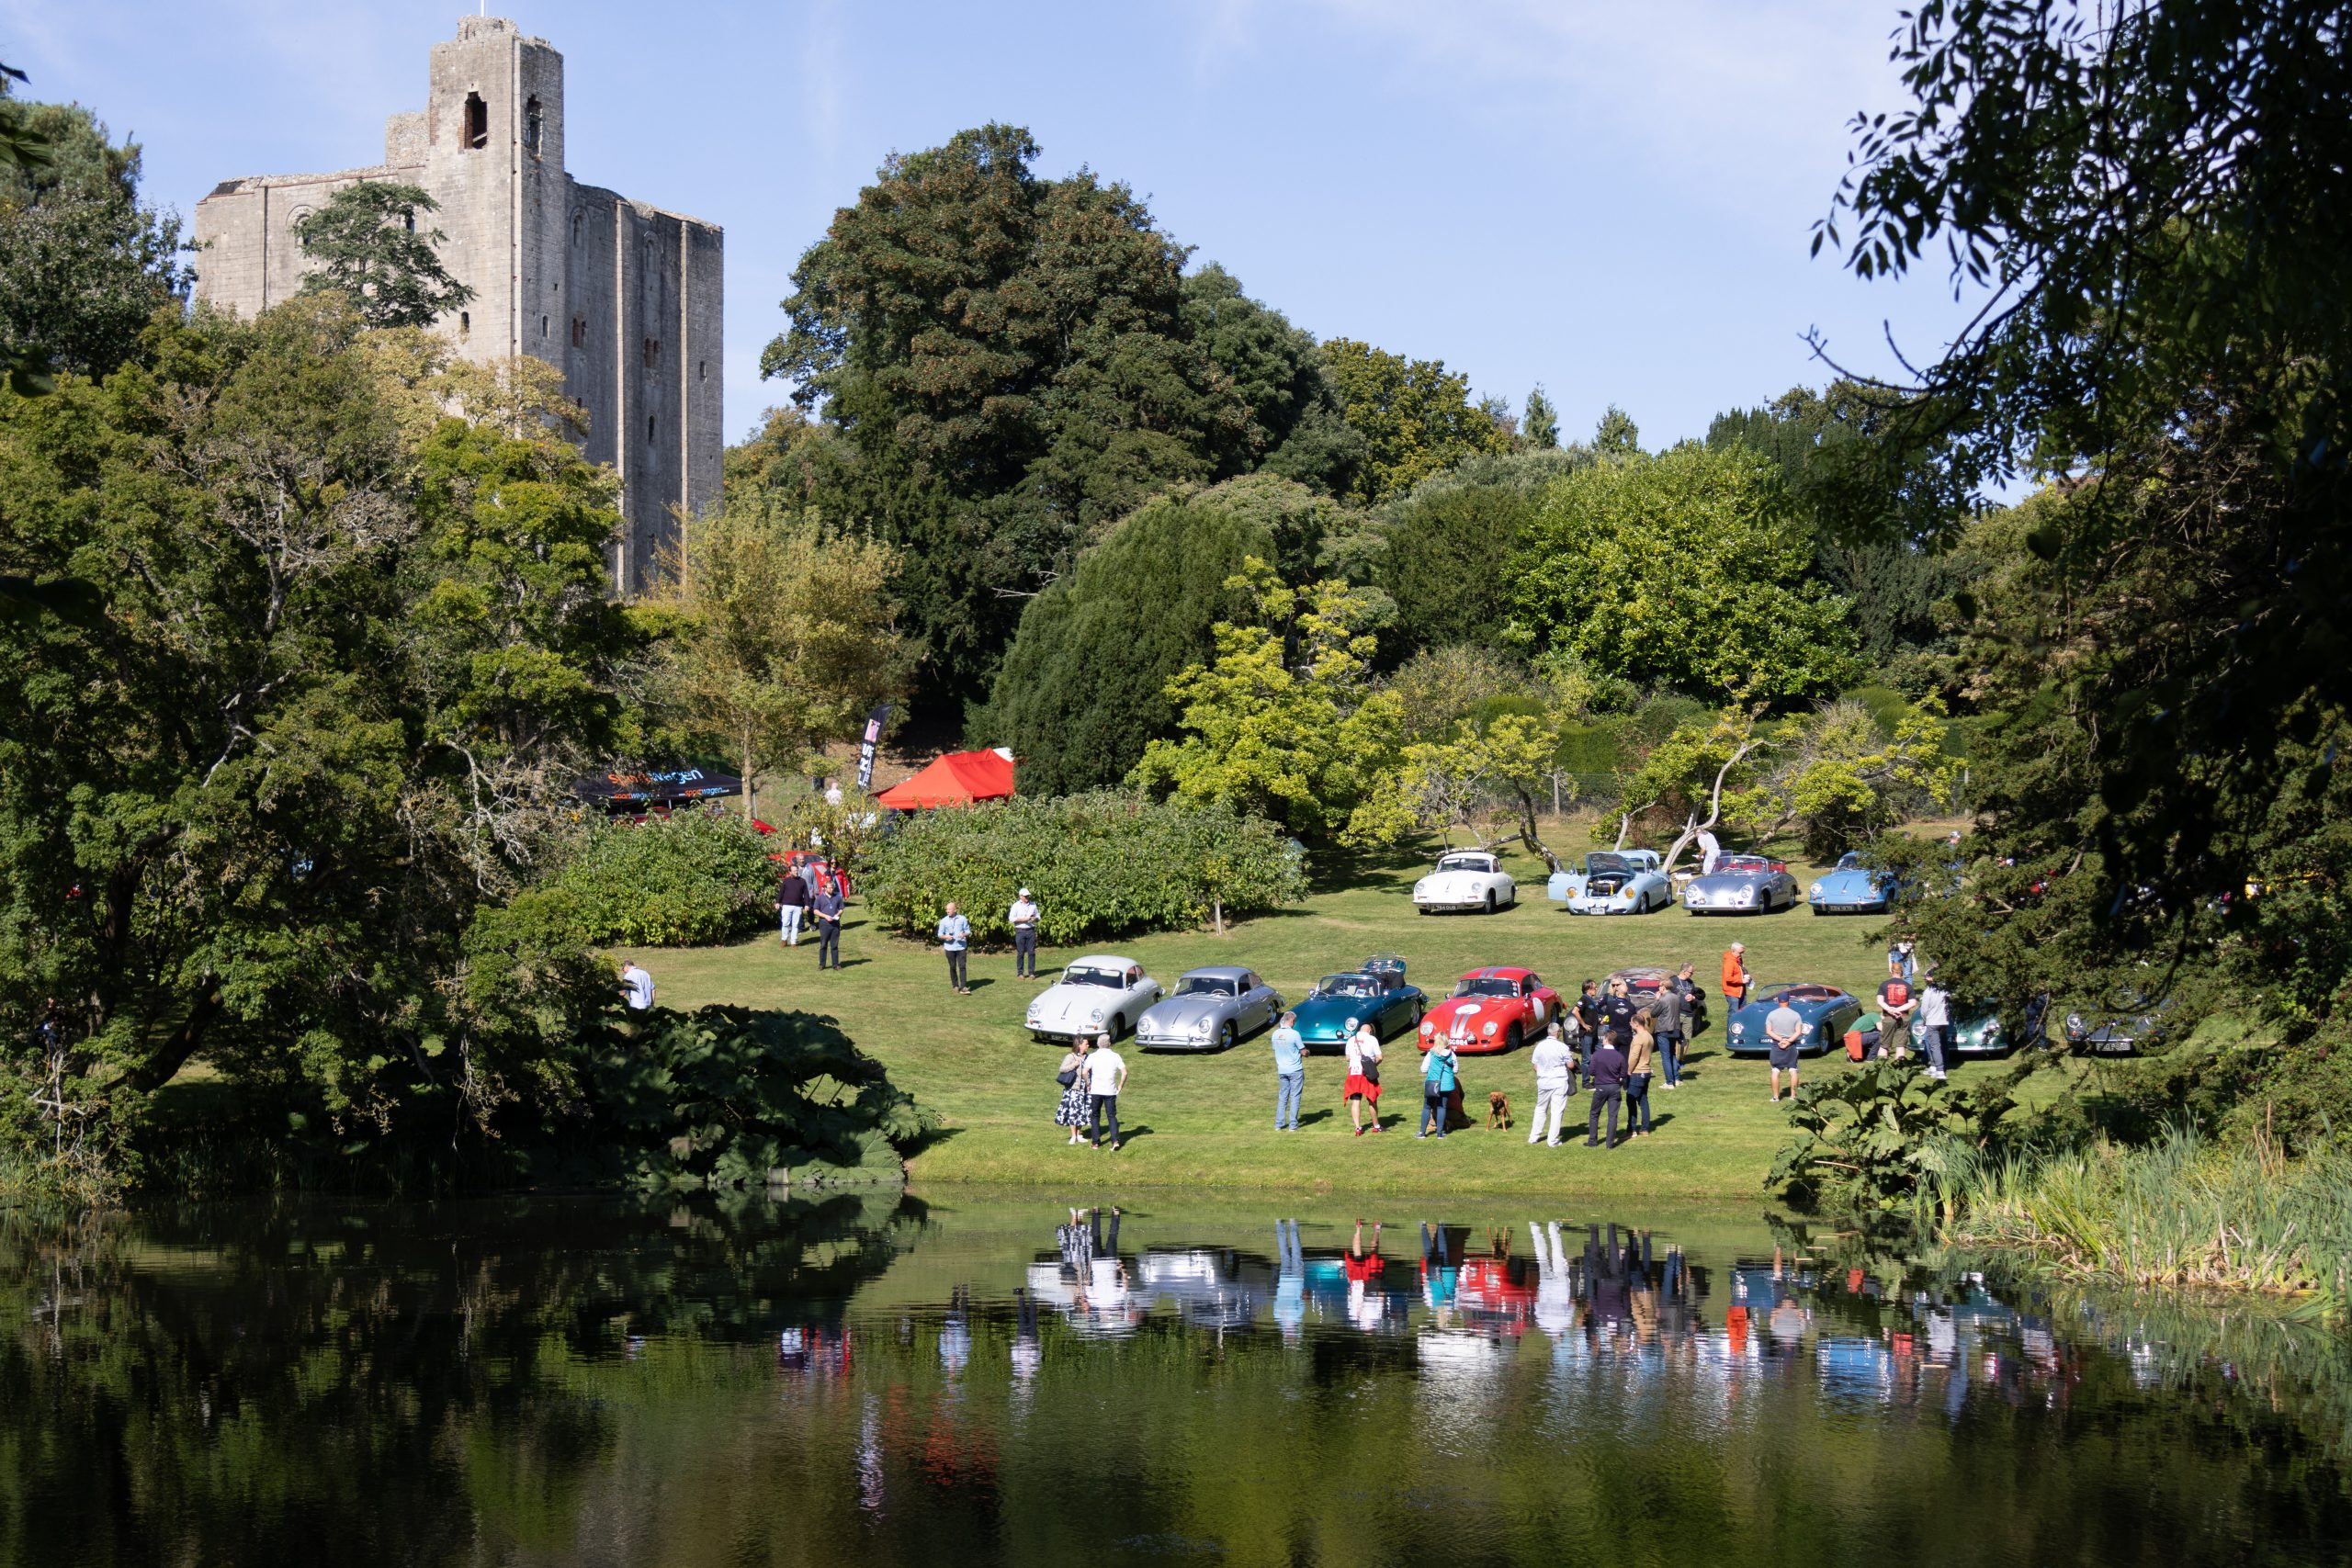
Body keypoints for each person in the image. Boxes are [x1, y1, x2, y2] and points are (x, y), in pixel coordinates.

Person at [1528, 1021, 1576, 1147]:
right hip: (1559, 1081)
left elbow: (1535, 1066)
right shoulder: (1562, 1047)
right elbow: (1570, 1065)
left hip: (1543, 1081)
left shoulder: (1539, 1046)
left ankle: (1534, 1136)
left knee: (1540, 1108)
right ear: (1557, 1032)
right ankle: (1552, 1140)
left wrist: (1545, 1071)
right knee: (1557, 1111)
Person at [1585, 1032, 1628, 1148]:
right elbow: (1623, 1074)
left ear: (1606, 1040)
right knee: (1612, 1116)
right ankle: (1610, 1143)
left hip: (1601, 1087)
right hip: (1615, 1088)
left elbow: (1591, 1071)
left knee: (1594, 1113)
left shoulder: (1598, 1054)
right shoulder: (1620, 1056)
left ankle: (1593, 1140)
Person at [1086, 1032, 1127, 1151]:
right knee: (1111, 1116)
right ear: (1109, 1044)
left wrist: (1088, 1084)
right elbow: (1124, 1072)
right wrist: (1120, 1086)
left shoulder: (1093, 1056)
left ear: (1098, 1044)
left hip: (1096, 1090)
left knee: (1095, 1115)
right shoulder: (1115, 1056)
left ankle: (1095, 1143)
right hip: (1110, 1090)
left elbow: (1084, 1072)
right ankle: (1115, 1141)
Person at [1343, 1020, 1385, 1135]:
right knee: (1372, 1099)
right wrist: (1373, 1065)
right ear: (1370, 1031)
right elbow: (1380, 1057)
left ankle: (1358, 1128)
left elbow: (1347, 1058)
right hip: (1366, 1072)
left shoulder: (1351, 1040)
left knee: (1356, 1100)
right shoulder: (1372, 1039)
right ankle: (1376, 1126)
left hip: (1353, 1072)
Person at [1764, 991, 1805, 1101]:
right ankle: (1793, 1096)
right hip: (1791, 1046)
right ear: (1788, 1001)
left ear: (1778, 1000)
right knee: (1793, 1070)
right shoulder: (1796, 1015)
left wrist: (1780, 1040)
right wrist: (1789, 1041)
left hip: (1776, 1045)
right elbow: (1798, 1032)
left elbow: (1768, 1031)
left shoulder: (1771, 1014)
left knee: (1775, 1070)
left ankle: (1776, 1097)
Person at [1271, 1010, 1306, 1132]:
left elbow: (1275, 1049)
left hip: (1282, 1070)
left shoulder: (1275, 1034)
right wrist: (1308, 1053)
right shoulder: (1295, 1034)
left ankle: (1278, 1124)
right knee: (1295, 1096)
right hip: (1295, 1069)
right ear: (1291, 1021)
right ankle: (1292, 1125)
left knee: (1283, 1097)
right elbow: (1303, 1051)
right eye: (1294, 1022)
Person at [1876, 958, 1917, 1062]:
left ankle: (1879, 1069)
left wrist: (1891, 1010)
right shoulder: (1908, 986)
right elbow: (1913, 1003)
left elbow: (1880, 1001)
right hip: (1903, 1017)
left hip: (1888, 1017)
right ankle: (1899, 1068)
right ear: (1902, 971)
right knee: (1901, 1044)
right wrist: (1898, 1009)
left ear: (1891, 971)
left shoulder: (1884, 985)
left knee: (1884, 1044)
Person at [1623, 1009, 1657, 1137]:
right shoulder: (1649, 1036)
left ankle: (1632, 1129)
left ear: (1636, 1024)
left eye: (1631, 1023)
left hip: (1638, 1072)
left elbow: (1634, 1056)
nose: (1630, 1025)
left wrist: (1628, 1070)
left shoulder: (1638, 1038)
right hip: (1647, 1071)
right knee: (1643, 1100)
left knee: (1630, 1099)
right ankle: (1645, 1128)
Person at [1418, 1035, 1459, 1138]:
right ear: (1446, 1042)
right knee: (1442, 1107)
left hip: (1432, 1083)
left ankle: (1422, 1133)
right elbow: (1455, 1070)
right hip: (1446, 1085)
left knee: (1427, 1107)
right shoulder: (1451, 1054)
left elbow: (1423, 1069)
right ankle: (1440, 1134)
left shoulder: (1431, 1053)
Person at [1055, 1038, 1092, 1145]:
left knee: (1082, 1112)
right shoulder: (1071, 1056)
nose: (1088, 1046)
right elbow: (1062, 1069)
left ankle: (1079, 1134)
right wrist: (1074, 1064)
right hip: (1073, 1089)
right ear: (1079, 1045)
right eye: (1086, 1044)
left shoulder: (1088, 1057)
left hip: (1085, 1090)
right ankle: (1073, 1136)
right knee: (1073, 1112)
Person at [1917, 968, 1952, 1080]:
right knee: (1938, 1044)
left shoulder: (1928, 991)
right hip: (1944, 1021)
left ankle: (1940, 1070)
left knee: (1934, 1046)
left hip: (1932, 1022)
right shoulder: (1945, 990)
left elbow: (1924, 1010)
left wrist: (1925, 1020)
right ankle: (1933, 1066)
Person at [1652, 974, 1686, 1088]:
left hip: (1664, 1029)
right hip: (1675, 1029)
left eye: (1659, 986)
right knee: (1672, 1054)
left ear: (1663, 987)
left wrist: (1657, 1000)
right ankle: (1676, 1079)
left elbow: (1653, 1013)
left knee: (1665, 1057)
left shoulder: (1663, 999)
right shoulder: (1677, 997)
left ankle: (1669, 1082)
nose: (1658, 988)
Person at [937, 901, 972, 994]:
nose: (947, 911)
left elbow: (968, 931)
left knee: (962, 966)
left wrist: (963, 934)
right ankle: (955, 986)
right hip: (949, 948)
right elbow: (940, 934)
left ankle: (964, 987)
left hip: (961, 947)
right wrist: (946, 937)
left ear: (954, 910)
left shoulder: (962, 919)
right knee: (952, 967)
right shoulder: (943, 921)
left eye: (949, 909)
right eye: (947, 909)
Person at [1572, 981, 1601, 1089]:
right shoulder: (1584, 999)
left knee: (1601, 1053)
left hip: (1594, 1035)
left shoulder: (1591, 1000)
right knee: (1587, 1059)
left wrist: (1599, 1020)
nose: (1597, 988)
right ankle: (1586, 1083)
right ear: (1588, 989)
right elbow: (1575, 1011)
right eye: (1594, 987)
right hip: (1587, 1035)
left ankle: (1599, 1077)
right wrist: (1583, 1024)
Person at [1008, 886, 1042, 979]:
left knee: (1031, 952)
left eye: (1028, 896)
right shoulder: (1015, 905)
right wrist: (1024, 919)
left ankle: (1031, 973)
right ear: (1020, 896)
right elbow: (1011, 918)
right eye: (1025, 896)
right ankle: (1020, 973)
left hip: (1031, 930)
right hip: (1020, 931)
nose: (1027, 898)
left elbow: (1038, 915)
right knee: (1020, 953)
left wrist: (1036, 918)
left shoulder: (1033, 905)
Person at [812, 878, 846, 970]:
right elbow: (815, 911)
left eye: (833, 888)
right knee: (823, 944)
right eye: (830, 888)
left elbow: (842, 909)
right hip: (824, 923)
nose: (832, 889)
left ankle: (835, 964)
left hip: (835, 923)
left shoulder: (837, 897)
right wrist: (825, 916)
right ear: (825, 888)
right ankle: (822, 964)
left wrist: (837, 914)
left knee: (834, 945)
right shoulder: (820, 898)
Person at [776, 865, 811, 946]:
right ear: (790, 872)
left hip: (798, 906)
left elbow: (806, 894)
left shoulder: (802, 881)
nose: (796, 872)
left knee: (795, 925)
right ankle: (784, 940)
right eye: (794, 871)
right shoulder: (786, 881)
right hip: (786, 905)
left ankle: (793, 942)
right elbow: (781, 892)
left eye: (797, 870)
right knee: (785, 923)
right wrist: (777, 902)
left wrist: (806, 904)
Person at [1722, 942, 1752, 1009]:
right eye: (1740, 953)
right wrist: (1742, 981)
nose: (1741, 955)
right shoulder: (1729, 962)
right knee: (1734, 1012)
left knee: (1742, 1012)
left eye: (1742, 953)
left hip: (1740, 990)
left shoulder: (1738, 959)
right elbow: (1728, 978)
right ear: (1733, 951)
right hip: (1732, 992)